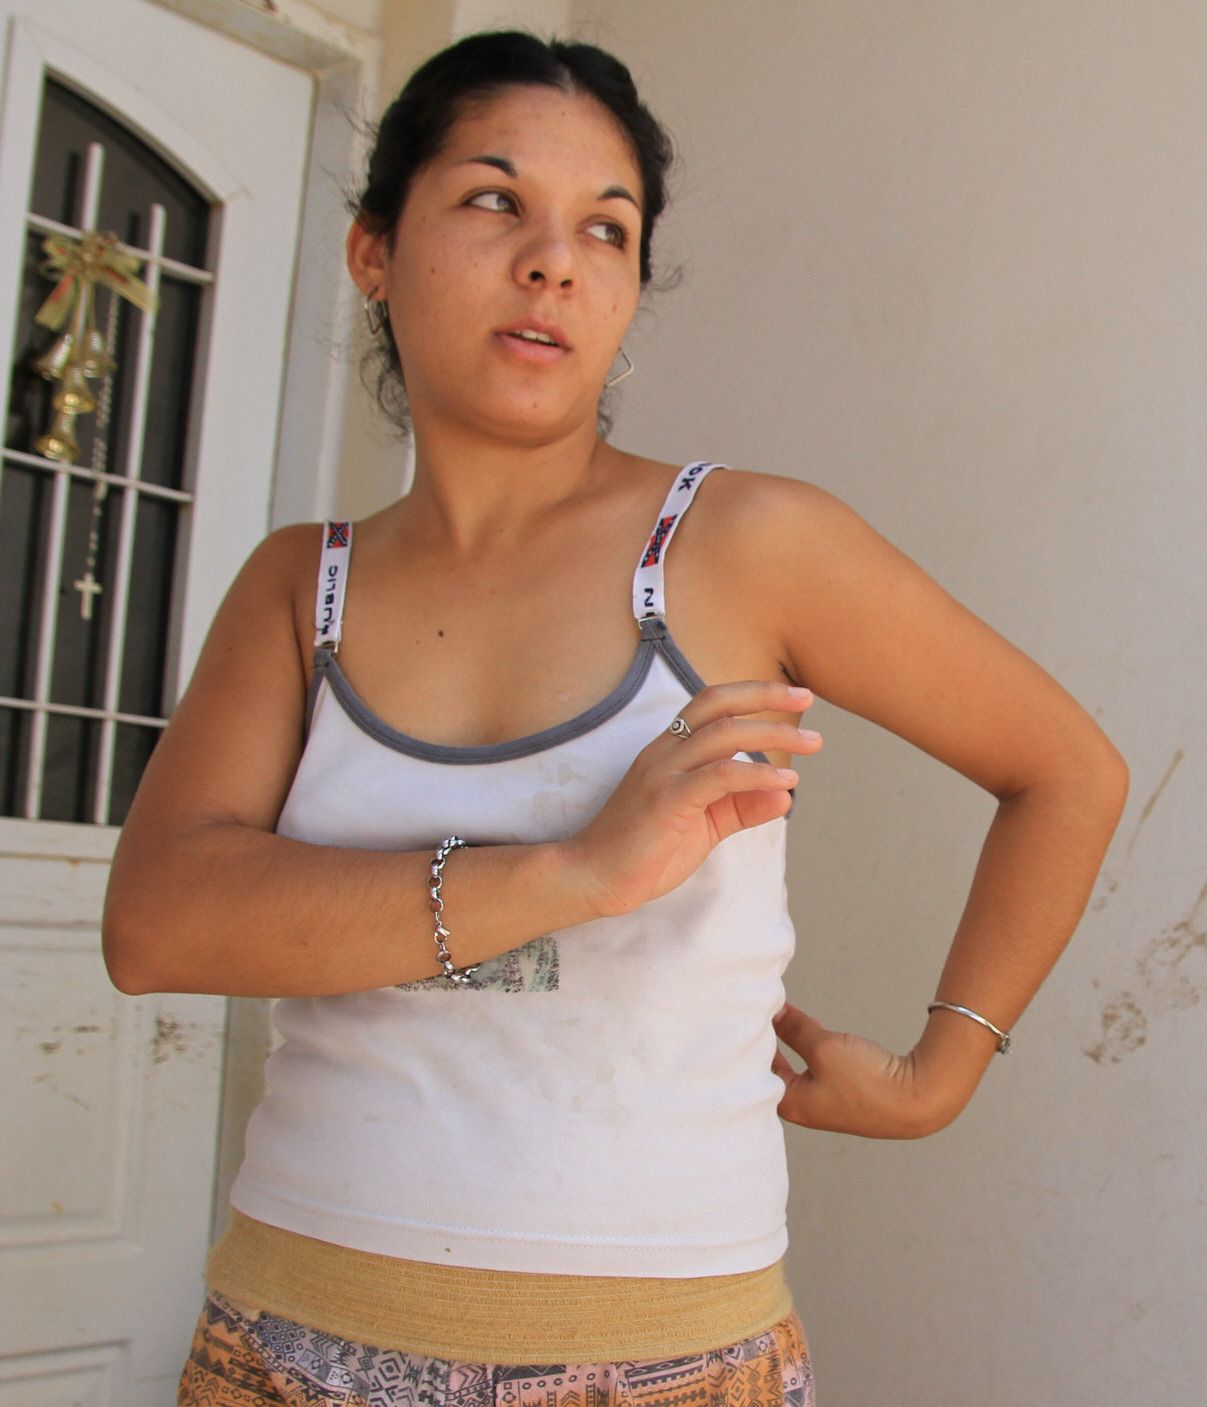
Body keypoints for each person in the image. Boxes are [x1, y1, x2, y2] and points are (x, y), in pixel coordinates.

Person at [102, 28, 1129, 1407]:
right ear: (373, 251)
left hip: (670, 1364)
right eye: (494, 201)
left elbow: (1067, 770)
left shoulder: (748, 542)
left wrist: (941, 1071)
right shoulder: (302, 587)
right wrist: (572, 874)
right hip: (287, 1346)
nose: (554, 263)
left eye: (607, 227)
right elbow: (157, 925)